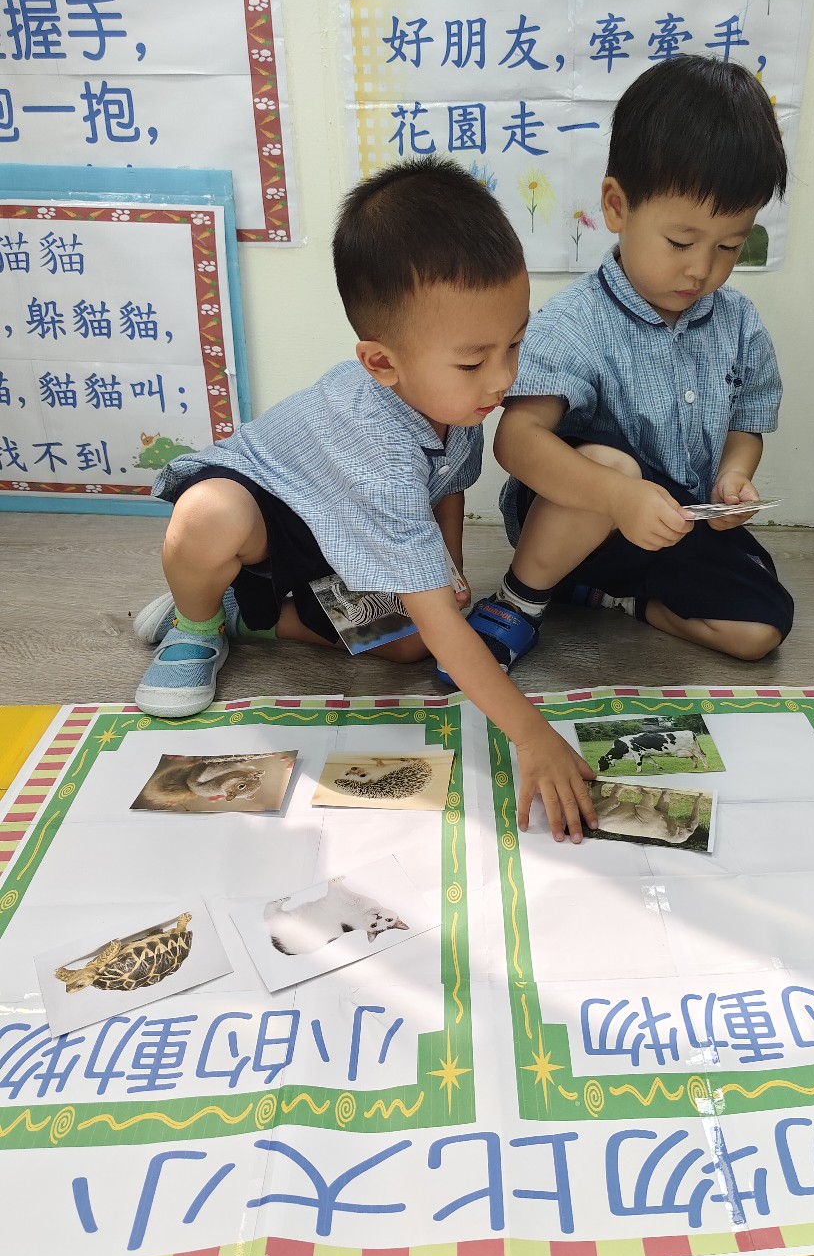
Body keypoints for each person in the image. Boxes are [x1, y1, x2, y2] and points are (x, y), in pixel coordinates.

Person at [133, 157, 597, 841]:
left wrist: (447, 565)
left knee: (411, 648)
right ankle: (196, 624)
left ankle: (246, 616)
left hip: (344, 532)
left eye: (516, 343)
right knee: (207, 517)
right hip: (267, 512)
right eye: (474, 360)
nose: (502, 378)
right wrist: (531, 735)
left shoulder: (459, 401)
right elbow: (437, 600)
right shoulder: (378, 443)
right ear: (381, 362)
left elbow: (448, 485)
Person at [454, 56, 795, 674]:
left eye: (729, 246)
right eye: (680, 242)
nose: (702, 269)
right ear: (617, 206)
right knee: (612, 461)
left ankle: (611, 600)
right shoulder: (576, 321)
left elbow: (746, 425)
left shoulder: (739, 324)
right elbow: (517, 442)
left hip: (672, 526)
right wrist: (618, 496)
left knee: (761, 629)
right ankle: (519, 601)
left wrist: (734, 477)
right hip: (572, 524)